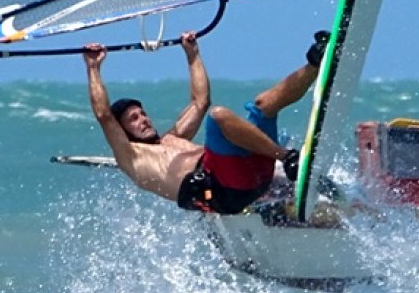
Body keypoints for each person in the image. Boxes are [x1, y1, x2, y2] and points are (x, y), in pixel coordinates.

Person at [84, 30, 329, 214]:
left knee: (263, 105)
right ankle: (287, 157)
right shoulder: (130, 155)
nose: (144, 120)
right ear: (123, 130)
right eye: (134, 119)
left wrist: (192, 55)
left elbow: (200, 101)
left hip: (251, 173)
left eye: (143, 114)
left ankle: (316, 63)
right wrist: (93, 68)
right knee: (219, 115)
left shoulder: (172, 138)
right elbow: (104, 115)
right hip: (224, 191)